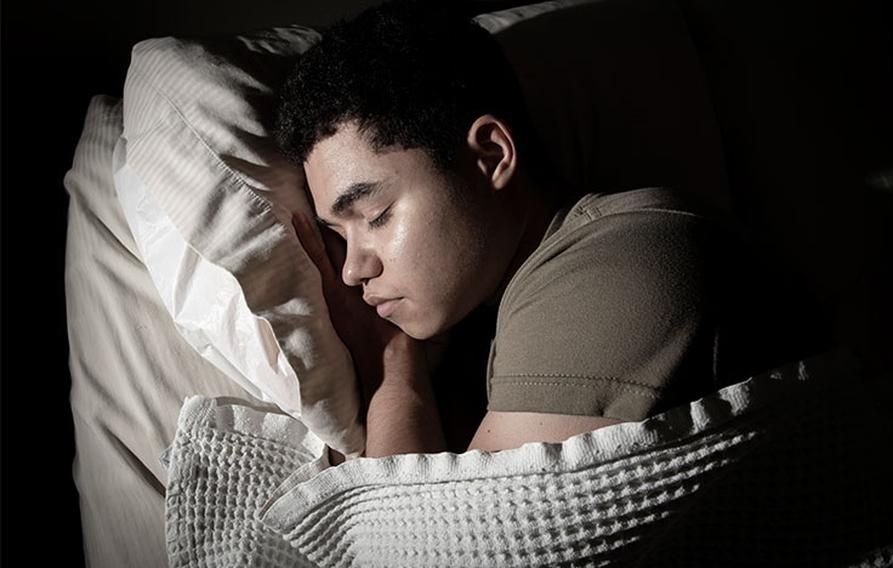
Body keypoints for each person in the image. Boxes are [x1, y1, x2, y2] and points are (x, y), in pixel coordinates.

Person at [273, 0, 825, 463]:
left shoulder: (619, 262)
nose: (352, 269)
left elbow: (431, 547)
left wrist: (394, 366)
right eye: (339, 235)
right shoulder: (479, 322)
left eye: (375, 216)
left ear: (490, 155)